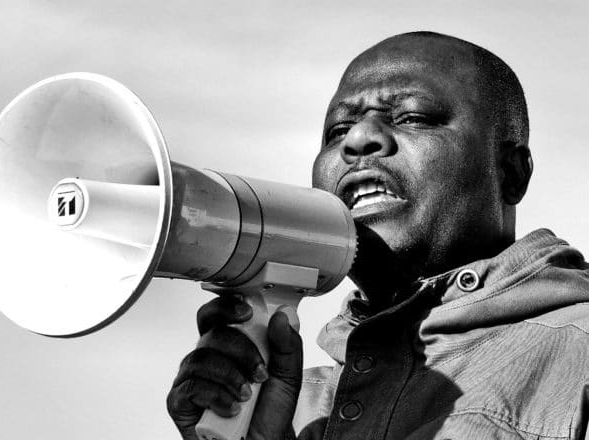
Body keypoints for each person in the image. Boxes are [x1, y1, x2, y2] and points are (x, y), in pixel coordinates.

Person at [166, 31, 589, 439]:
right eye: (336, 131)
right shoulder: (295, 408)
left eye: (413, 117)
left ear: (511, 174)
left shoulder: (578, 355)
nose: (358, 138)